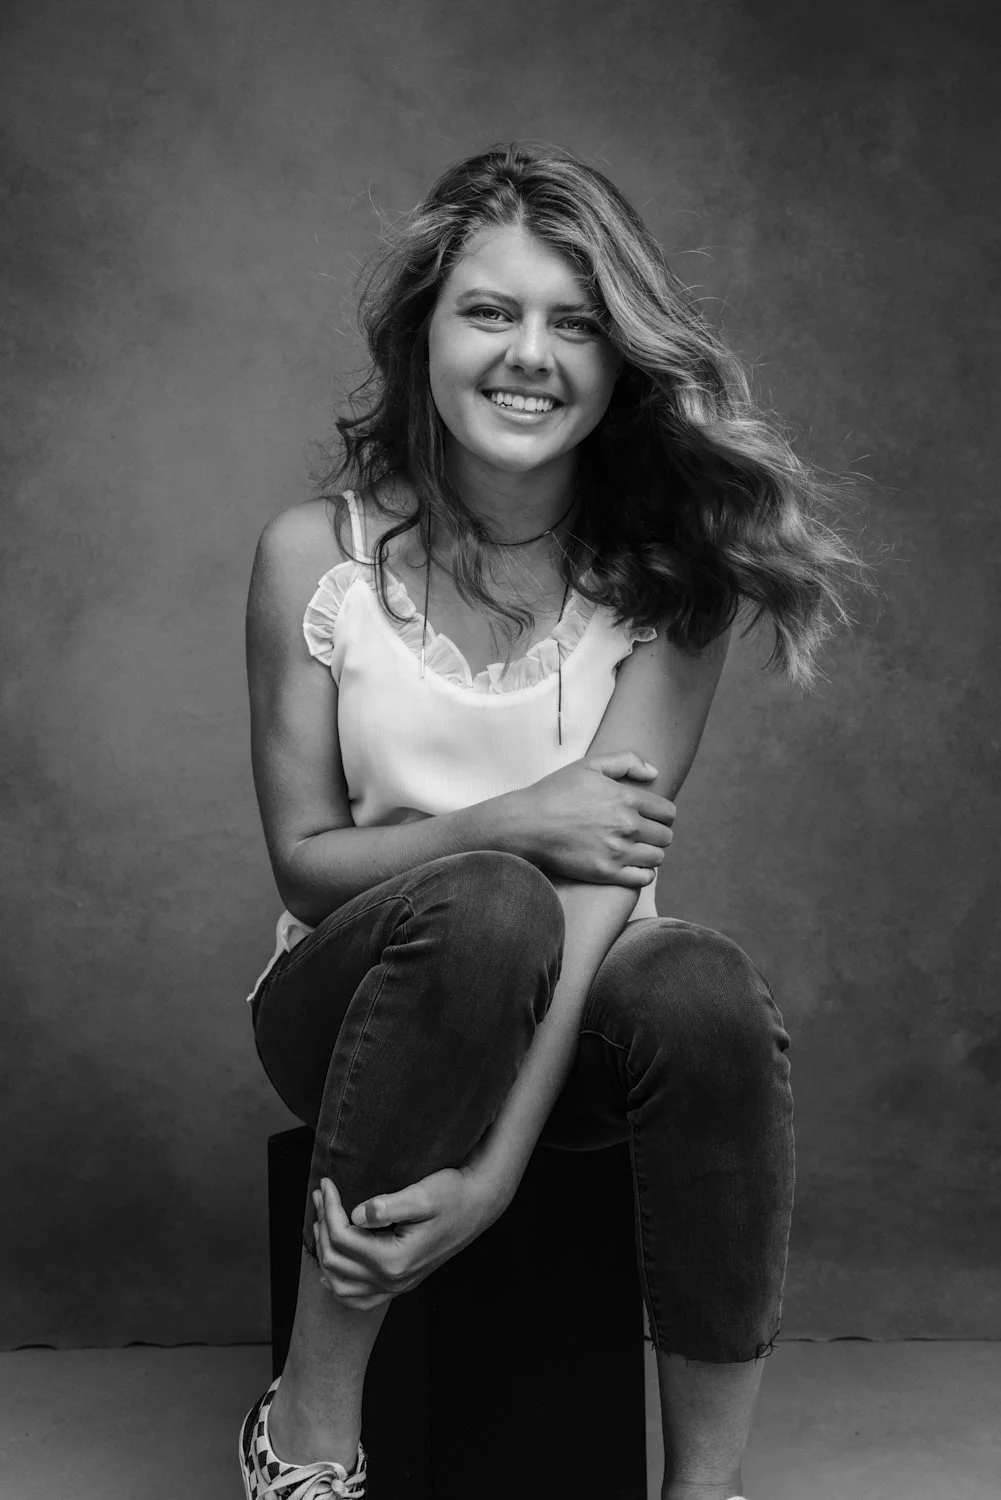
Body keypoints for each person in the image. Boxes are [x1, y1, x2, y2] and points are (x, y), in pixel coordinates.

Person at [239, 141, 870, 1500]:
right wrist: (520, 817)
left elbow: (597, 905)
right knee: (490, 893)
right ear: (426, 337)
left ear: (620, 361)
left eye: (575, 324)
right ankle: (308, 1436)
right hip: (350, 996)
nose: (532, 355)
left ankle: (705, 1490)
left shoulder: (669, 584)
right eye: (492, 311)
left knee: (696, 983)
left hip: (578, 1004)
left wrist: (497, 1175)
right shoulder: (315, 558)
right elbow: (304, 858)